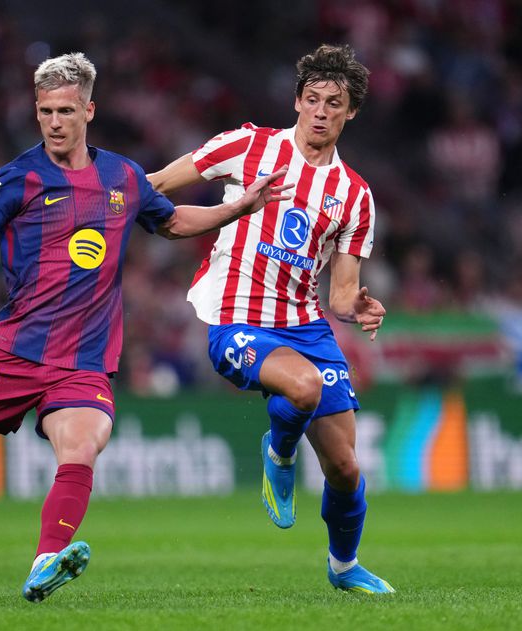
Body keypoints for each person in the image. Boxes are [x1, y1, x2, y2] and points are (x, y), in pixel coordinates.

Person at [0, 52, 291, 603]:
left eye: (66, 111)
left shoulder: (123, 176)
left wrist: (239, 207)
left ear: (88, 111)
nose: (54, 122)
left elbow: (172, 221)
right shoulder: (18, 178)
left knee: (80, 447)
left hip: (85, 360)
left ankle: (45, 561)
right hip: (15, 353)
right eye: (45, 111)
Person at [148, 44, 394, 594]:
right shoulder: (249, 145)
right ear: (297, 101)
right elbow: (157, 183)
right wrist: (102, 206)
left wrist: (357, 307)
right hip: (236, 317)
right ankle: (279, 453)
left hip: (306, 325)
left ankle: (344, 567)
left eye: (334, 103)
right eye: (313, 99)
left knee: (346, 468)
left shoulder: (355, 195)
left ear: (351, 111)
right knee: (303, 388)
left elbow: (341, 294)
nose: (321, 111)